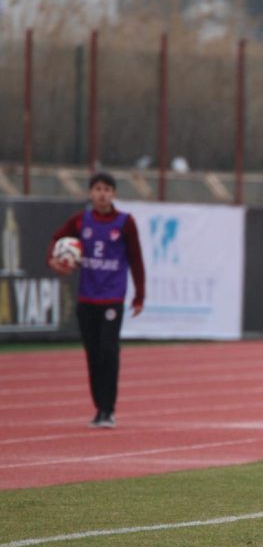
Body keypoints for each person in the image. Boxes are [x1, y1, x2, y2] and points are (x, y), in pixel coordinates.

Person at [48, 171, 145, 428]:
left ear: (114, 194)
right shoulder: (81, 220)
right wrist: (54, 261)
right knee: (92, 353)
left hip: (112, 297)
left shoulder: (125, 222)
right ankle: (99, 406)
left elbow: (136, 259)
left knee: (109, 351)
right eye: (98, 189)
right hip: (87, 297)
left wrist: (139, 295)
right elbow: (57, 238)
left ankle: (108, 409)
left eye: (107, 190)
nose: (102, 194)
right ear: (90, 193)